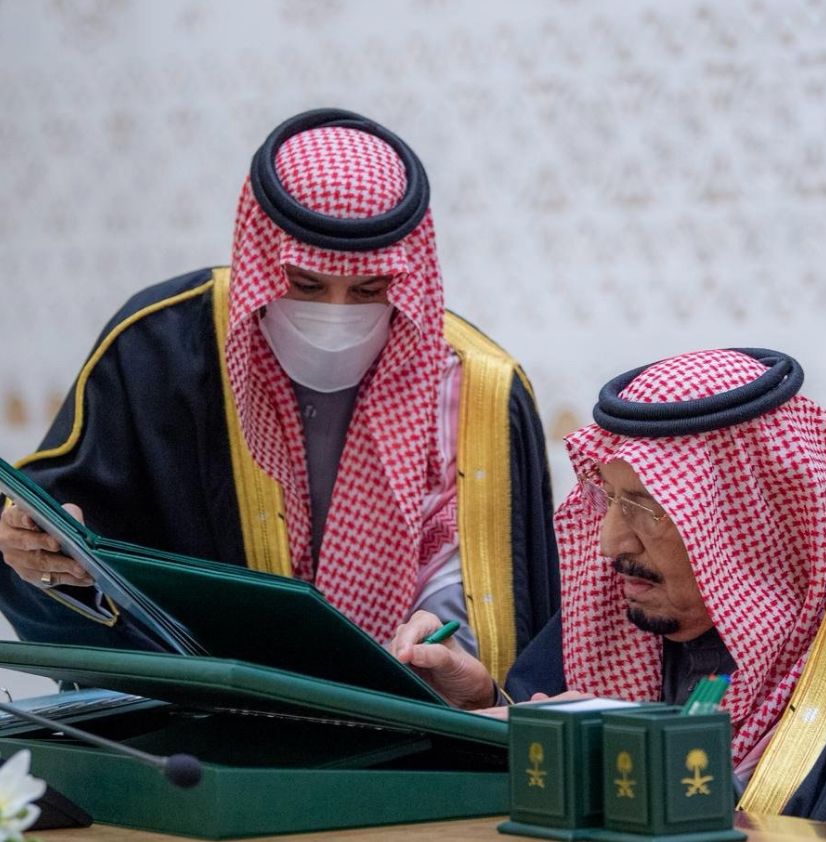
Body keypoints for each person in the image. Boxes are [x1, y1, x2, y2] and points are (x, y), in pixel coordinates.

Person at [0, 108, 559, 680]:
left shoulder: (477, 388)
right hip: (202, 723)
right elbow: (64, 545)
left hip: (420, 721)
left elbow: (510, 625)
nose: (336, 314)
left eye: (368, 290)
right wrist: (34, 550)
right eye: (306, 284)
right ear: (261, 260)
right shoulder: (158, 350)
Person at [391, 347, 826, 840]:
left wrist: (611, 747)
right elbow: (550, 725)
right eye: (608, 499)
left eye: (646, 507)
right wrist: (481, 703)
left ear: (754, 519)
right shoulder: (628, 595)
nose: (610, 543)